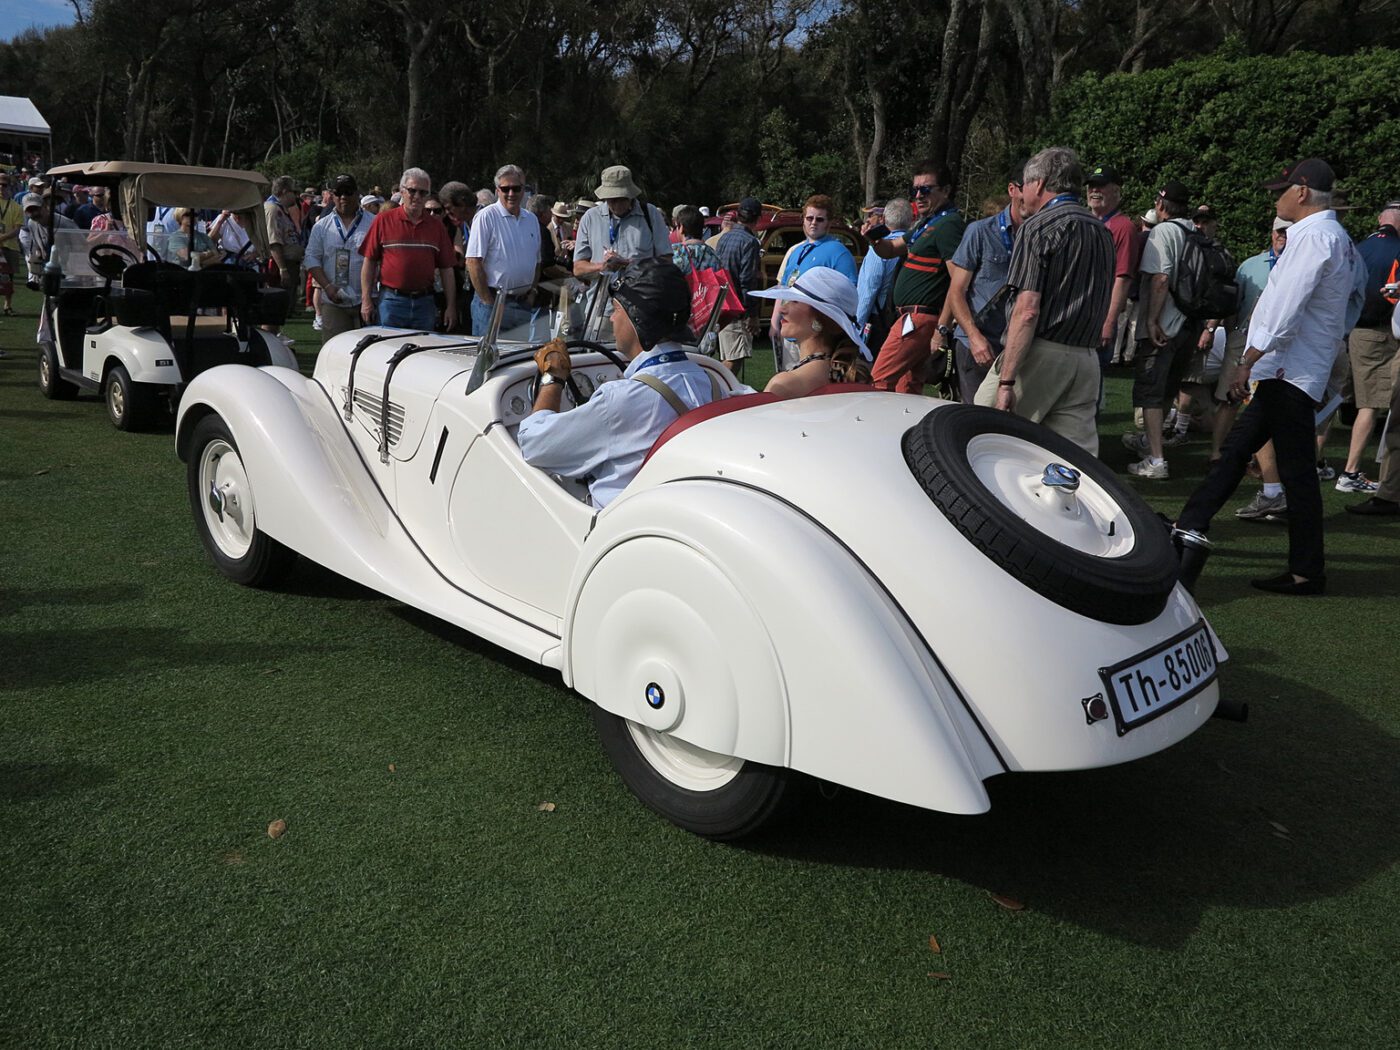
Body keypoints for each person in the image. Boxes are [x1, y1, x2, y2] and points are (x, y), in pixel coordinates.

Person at [1175, 158, 1364, 595]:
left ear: (1302, 192)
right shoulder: (1337, 238)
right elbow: (1350, 299)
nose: (1275, 199)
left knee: (1295, 472)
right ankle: (1191, 523)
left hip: (1289, 370)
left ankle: (1306, 570)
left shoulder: (1314, 237)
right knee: (1239, 449)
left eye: (1281, 191)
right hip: (1294, 368)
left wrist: (1249, 359)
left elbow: (1286, 306)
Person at [517, 257, 730, 508]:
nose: (611, 319)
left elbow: (533, 443)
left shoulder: (620, 400)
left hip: (613, 522)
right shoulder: (714, 384)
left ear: (635, 318)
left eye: (616, 310)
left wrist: (552, 377)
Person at [974, 147, 1114, 454]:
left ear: (1038, 184)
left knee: (981, 432)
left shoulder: (1037, 227)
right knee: (1074, 460)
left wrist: (1007, 382)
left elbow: (1027, 311)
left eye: (1024, 184)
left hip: (1041, 352)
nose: (1021, 194)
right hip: (1086, 358)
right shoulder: (1102, 231)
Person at [1120, 179, 1203, 479]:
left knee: (1150, 392)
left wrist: (1152, 320)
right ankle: (1150, 442)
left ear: (1159, 204)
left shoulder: (1163, 232)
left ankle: (1156, 459)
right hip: (1190, 324)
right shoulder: (1196, 232)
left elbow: (1160, 278)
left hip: (1164, 326)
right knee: (1168, 387)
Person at [866, 163, 966, 393]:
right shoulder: (929, 222)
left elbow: (958, 281)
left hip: (919, 319)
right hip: (914, 319)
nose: (918, 196)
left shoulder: (948, 225)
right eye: (914, 190)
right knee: (907, 388)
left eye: (926, 189)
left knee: (877, 381)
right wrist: (875, 239)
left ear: (946, 190)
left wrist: (942, 328)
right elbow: (891, 249)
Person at [944, 164, 1027, 403]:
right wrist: (974, 337)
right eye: (1025, 188)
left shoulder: (1038, 235)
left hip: (1016, 346)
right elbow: (956, 291)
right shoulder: (980, 232)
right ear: (1012, 190)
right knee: (976, 415)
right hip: (978, 345)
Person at [1336, 200, 1400, 492]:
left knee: (1342, 399)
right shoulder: (1396, 249)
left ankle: (1321, 463)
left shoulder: (1359, 247)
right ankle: (1350, 473)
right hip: (1379, 333)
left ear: (1379, 220)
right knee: (1371, 405)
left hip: (1352, 330)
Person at [358, 166, 457, 331]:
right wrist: (366, 300)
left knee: (422, 347)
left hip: (425, 303)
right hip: (391, 301)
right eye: (412, 191)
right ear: (402, 191)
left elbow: (447, 269)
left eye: (423, 192)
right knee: (387, 346)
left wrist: (451, 306)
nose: (417, 196)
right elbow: (369, 262)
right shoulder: (383, 220)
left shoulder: (436, 226)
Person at [753, 266, 871, 399]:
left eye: (795, 301)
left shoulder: (784, 384)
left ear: (820, 319)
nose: (782, 309)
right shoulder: (848, 375)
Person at [770, 194, 858, 371]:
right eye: (809, 218)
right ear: (803, 220)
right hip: (790, 331)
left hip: (815, 337)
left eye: (820, 219)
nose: (813, 223)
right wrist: (774, 322)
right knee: (789, 382)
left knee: (811, 382)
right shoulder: (797, 251)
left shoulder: (839, 253)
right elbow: (785, 288)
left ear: (829, 223)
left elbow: (847, 297)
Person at [466, 163, 541, 337]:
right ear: (497, 190)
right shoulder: (486, 217)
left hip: (522, 304)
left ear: (523, 189)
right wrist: (488, 301)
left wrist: (532, 291)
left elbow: (537, 261)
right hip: (492, 304)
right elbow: (473, 262)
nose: (511, 193)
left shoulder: (531, 219)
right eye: (505, 189)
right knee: (489, 354)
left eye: (516, 188)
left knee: (518, 354)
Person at [1086, 164, 1142, 373]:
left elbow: (1123, 278)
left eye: (1101, 186)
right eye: (1091, 186)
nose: (1094, 191)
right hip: (1078, 315)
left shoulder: (1123, 227)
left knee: (1090, 382)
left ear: (1116, 191)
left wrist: (1109, 322)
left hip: (1098, 319)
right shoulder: (1085, 220)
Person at [572, 165, 670, 281]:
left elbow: (667, 261)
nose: (618, 205)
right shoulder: (590, 218)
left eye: (622, 199)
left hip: (642, 290)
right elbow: (578, 268)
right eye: (612, 200)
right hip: (603, 291)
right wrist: (603, 266)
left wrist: (628, 264)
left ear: (630, 195)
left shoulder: (650, 214)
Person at [306, 174, 372, 342]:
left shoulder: (374, 223)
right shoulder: (321, 226)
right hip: (333, 302)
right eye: (338, 192)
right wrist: (327, 287)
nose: (343, 197)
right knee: (334, 351)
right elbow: (311, 258)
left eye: (348, 192)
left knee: (368, 353)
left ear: (356, 193)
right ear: (332, 195)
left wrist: (368, 297)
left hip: (368, 301)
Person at [712, 196, 763, 377]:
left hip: (721, 305)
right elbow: (747, 280)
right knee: (734, 359)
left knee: (727, 355)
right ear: (758, 218)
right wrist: (752, 314)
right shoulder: (750, 242)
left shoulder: (725, 238)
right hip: (737, 308)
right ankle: (718, 390)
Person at [855, 197, 911, 358]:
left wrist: (856, 330)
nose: (867, 219)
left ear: (884, 218)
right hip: (908, 322)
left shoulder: (879, 249)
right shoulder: (917, 246)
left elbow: (868, 291)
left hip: (878, 324)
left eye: (870, 215)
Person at [264, 175, 305, 323]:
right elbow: (274, 241)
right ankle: (273, 333)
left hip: (289, 262)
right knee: (277, 307)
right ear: (285, 191)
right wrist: (282, 269)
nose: (297, 196)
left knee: (284, 307)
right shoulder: (272, 209)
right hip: (281, 263)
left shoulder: (280, 209)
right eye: (294, 192)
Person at [0, 172, 23, 315]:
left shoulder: (16, 207)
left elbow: (17, 229)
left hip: (10, 246)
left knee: (9, 279)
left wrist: (2, 238)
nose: (1, 187)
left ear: (9, 186)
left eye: (4, 185)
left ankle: (7, 306)